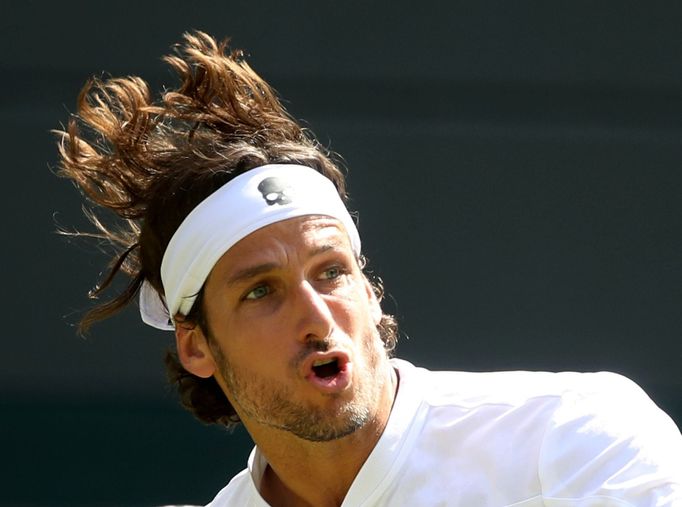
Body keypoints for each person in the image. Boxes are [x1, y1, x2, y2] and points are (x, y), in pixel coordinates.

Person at [55, 31, 682, 507]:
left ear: (371, 293)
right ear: (196, 346)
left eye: (331, 272)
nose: (316, 315)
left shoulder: (580, 437)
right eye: (261, 291)